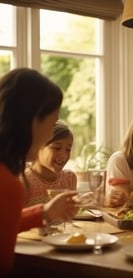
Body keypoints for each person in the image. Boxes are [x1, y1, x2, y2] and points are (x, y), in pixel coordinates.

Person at [0, 68, 78, 276]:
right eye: (52, 124)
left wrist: (43, 213)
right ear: (33, 121)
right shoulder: (8, 182)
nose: (49, 136)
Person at [24, 120, 77, 206]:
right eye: (57, 148)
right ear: (38, 146)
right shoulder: (24, 181)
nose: (64, 155)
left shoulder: (69, 179)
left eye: (68, 149)